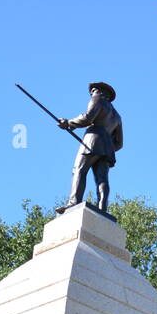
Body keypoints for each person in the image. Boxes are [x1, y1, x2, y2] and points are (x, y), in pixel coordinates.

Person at [55, 81, 124, 217]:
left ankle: (73, 203)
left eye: (94, 90)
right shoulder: (117, 116)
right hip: (107, 148)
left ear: (101, 92)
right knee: (102, 179)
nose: (92, 93)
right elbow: (119, 143)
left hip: (93, 139)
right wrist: (106, 147)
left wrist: (68, 123)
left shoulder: (98, 99)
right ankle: (102, 209)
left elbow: (88, 117)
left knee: (79, 170)